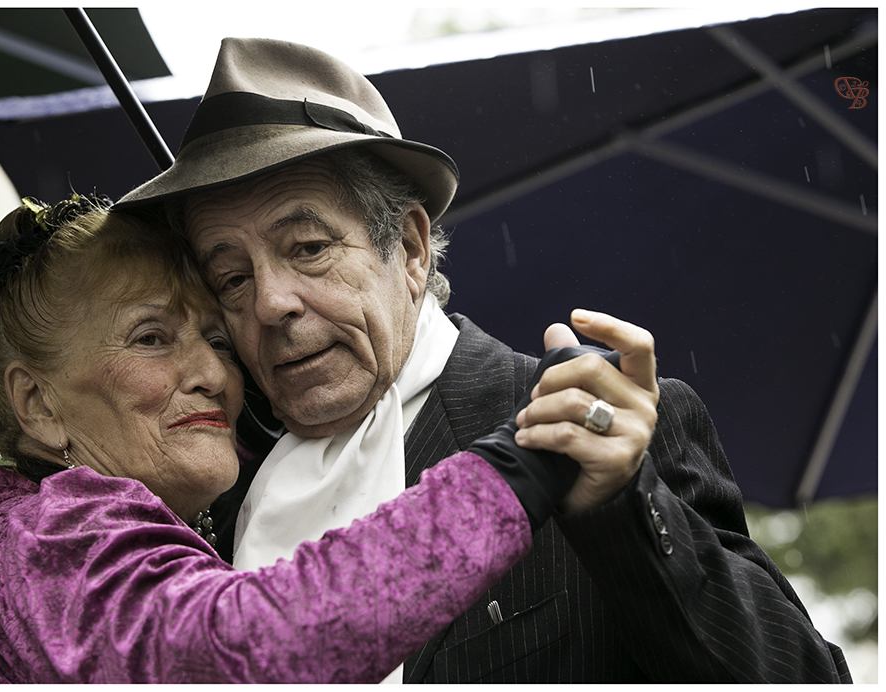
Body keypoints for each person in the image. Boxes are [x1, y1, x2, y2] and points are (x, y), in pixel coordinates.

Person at [114, 38, 851, 683]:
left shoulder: (593, 424)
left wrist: (623, 507)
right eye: (232, 278)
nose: (271, 303)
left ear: (406, 248)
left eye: (308, 248)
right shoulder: (215, 492)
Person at [0, 194, 594, 683]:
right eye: (151, 337)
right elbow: (247, 649)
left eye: (219, 340)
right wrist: (519, 465)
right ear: (37, 403)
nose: (211, 374)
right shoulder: (49, 537)